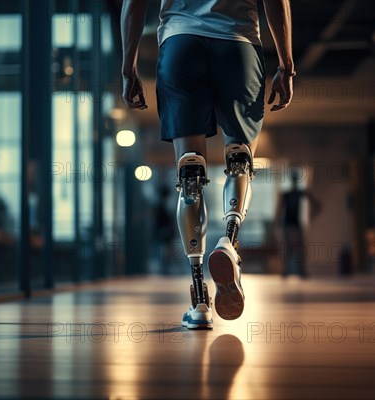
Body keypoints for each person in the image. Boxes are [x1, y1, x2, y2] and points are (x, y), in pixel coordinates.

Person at [121, 0, 295, 329]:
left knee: (190, 170)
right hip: (238, 45)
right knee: (240, 158)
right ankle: (229, 240)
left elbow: (133, 5)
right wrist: (286, 64)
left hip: (180, 43)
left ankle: (199, 301)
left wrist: (128, 67)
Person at [274, 167, 321, 278]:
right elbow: (280, 210)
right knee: (288, 249)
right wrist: (277, 223)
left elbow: (317, 205)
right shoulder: (287, 194)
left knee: (300, 248)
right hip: (287, 224)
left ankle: (301, 270)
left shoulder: (301, 193)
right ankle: (287, 270)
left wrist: (311, 216)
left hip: (296, 224)